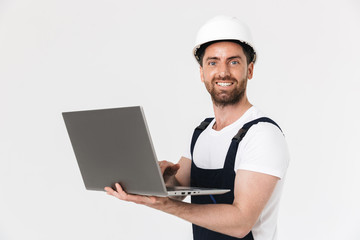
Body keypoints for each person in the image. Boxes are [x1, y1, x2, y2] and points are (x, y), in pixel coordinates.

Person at [105, 15, 290, 240]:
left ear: (249, 70)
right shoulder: (202, 132)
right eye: (213, 62)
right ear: (202, 73)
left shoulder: (262, 135)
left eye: (234, 61)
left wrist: (162, 205)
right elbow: (178, 190)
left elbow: (241, 223)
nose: (223, 72)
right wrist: (156, 181)